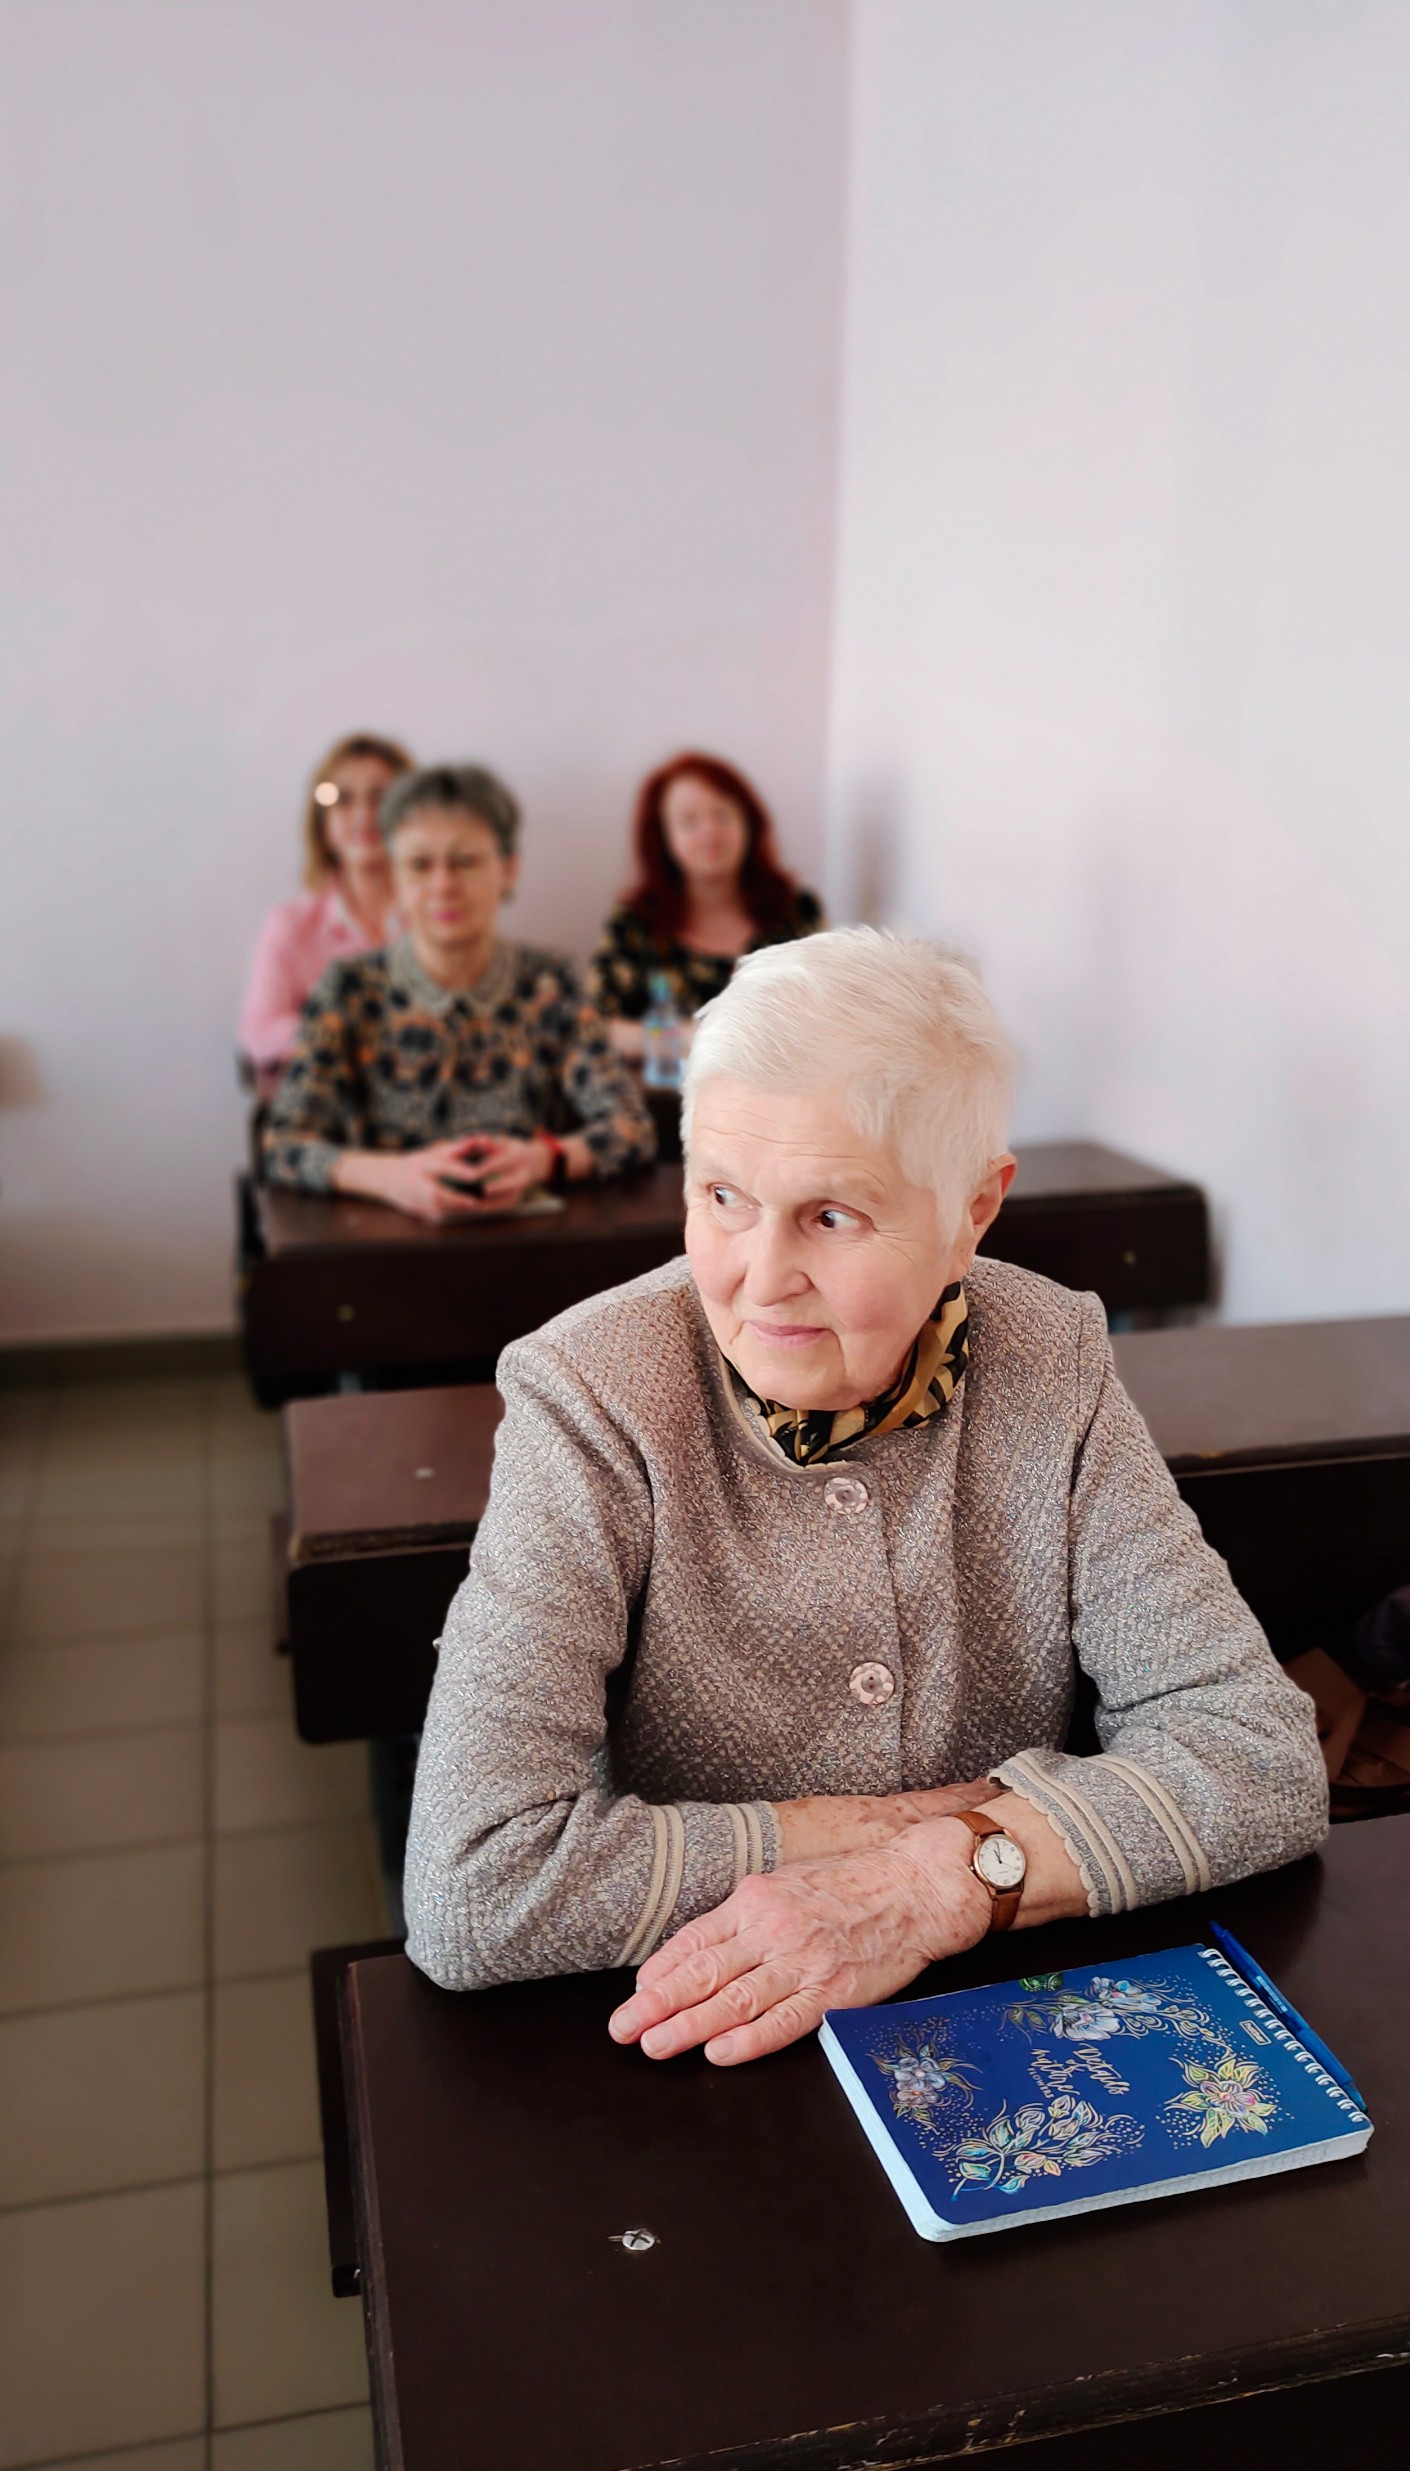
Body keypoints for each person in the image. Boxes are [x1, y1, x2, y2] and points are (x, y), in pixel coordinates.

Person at [404, 928, 1327, 2064]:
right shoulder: (591, 1391)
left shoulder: (1053, 1355)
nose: (760, 1277)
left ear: (973, 1212)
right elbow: (472, 1888)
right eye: (724, 1197)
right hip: (693, 2031)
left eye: (832, 1216)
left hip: (998, 2004)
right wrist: (885, 1831)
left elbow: (1259, 1756)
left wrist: (943, 1876)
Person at [262, 763, 655, 1219]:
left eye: (465, 861)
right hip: (384, 1244)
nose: (443, 885)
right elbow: (284, 1144)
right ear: (395, 877)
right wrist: (393, 1177)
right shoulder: (348, 988)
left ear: (508, 869)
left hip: (534, 1242)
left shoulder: (551, 984)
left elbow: (632, 1128)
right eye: (419, 865)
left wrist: (546, 1159)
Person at [587, 752, 824, 1065]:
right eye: (689, 821)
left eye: (722, 814)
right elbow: (594, 1027)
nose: (710, 831)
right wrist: (686, 1037)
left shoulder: (797, 910)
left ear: (748, 822)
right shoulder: (635, 921)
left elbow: (829, 1016)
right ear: (662, 838)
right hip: (667, 1092)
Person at [238, 733, 413, 1090]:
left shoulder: (441, 913)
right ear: (321, 821)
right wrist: (343, 1034)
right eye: (341, 799)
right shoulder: (292, 925)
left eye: (381, 797)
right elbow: (258, 1032)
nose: (364, 815)